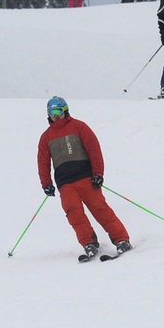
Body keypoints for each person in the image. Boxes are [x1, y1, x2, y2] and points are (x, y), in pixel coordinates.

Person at [36, 96, 132, 260]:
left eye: (58, 111)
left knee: (100, 209)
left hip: (86, 178)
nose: (55, 116)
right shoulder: (46, 137)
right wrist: (46, 184)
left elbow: (94, 149)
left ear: (65, 111)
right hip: (65, 184)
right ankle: (89, 242)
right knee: (73, 212)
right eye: (51, 113)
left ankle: (121, 239)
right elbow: (42, 161)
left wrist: (98, 174)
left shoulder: (79, 127)